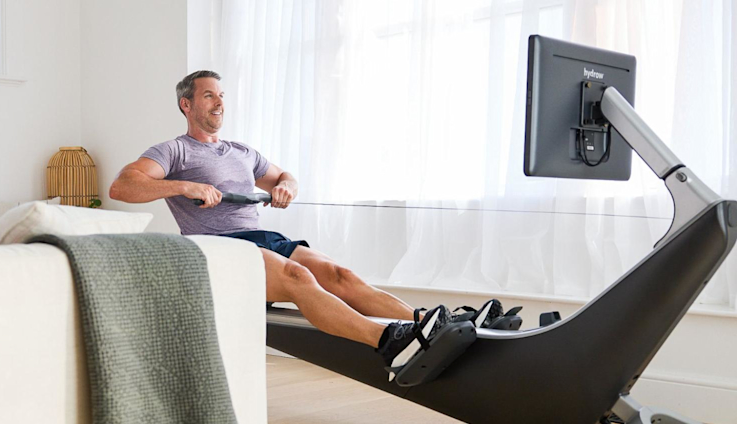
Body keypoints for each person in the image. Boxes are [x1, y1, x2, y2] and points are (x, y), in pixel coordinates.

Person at [109, 70, 512, 378]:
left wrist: (286, 188)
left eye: (221, 95)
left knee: (339, 273)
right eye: (209, 95)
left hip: (262, 237)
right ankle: (387, 340)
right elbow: (123, 186)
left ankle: (427, 323)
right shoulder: (173, 150)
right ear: (187, 104)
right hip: (219, 247)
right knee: (300, 277)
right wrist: (183, 184)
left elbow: (286, 177)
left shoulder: (242, 151)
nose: (219, 103)